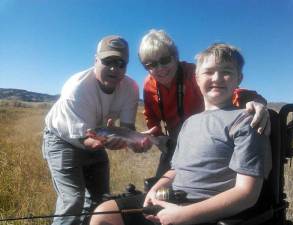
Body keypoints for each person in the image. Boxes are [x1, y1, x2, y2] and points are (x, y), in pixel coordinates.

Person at [89, 43, 272, 225]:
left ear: (238, 78)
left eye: (226, 72)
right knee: (103, 214)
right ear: (197, 79)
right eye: (208, 72)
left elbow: (247, 194)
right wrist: (156, 189)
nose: (216, 78)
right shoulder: (189, 123)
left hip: (205, 211)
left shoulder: (247, 120)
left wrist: (185, 215)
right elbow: (176, 169)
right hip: (170, 201)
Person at [42, 35, 144, 225]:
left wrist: (137, 143)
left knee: (101, 200)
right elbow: (86, 141)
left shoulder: (131, 88)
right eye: (108, 61)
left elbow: (127, 128)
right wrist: (105, 142)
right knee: (72, 200)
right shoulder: (78, 89)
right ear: (95, 60)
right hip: (63, 139)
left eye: (121, 63)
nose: (114, 68)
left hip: (95, 136)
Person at [140, 29, 270, 177]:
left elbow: (229, 91)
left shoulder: (194, 74)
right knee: (159, 185)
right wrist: (157, 137)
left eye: (165, 60)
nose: (159, 69)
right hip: (174, 141)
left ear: (175, 57)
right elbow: (151, 117)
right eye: (150, 64)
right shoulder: (148, 84)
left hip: (205, 136)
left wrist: (255, 101)